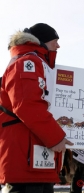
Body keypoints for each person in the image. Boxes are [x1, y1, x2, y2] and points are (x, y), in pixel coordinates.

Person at [0, 23, 73, 193]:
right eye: (55, 40)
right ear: (42, 42)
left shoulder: (36, 63)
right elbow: (27, 105)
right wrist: (56, 138)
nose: (58, 45)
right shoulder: (27, 62)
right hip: (25, 159)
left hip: (34, 156)